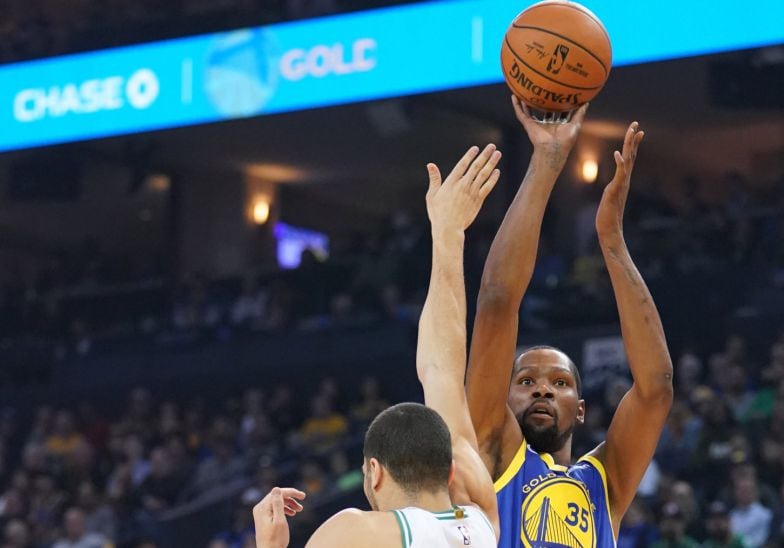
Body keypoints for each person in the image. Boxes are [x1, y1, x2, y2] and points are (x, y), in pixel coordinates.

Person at [252, 144, 504, 547]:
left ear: (374, 471)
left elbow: (442, 369)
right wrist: (448, 234)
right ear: (451, 471)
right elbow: (442, 369)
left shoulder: (357, 530)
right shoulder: (480, 515)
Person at [466, 97, 674, 548]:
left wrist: (613, 244)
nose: (542, 388)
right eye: (526, 381)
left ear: (581, 408)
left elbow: (656, 387)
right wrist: (546, 162)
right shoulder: (495, 451)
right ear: (502, 397)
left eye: (560, 382)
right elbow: (498, 303)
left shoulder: (605, 483)